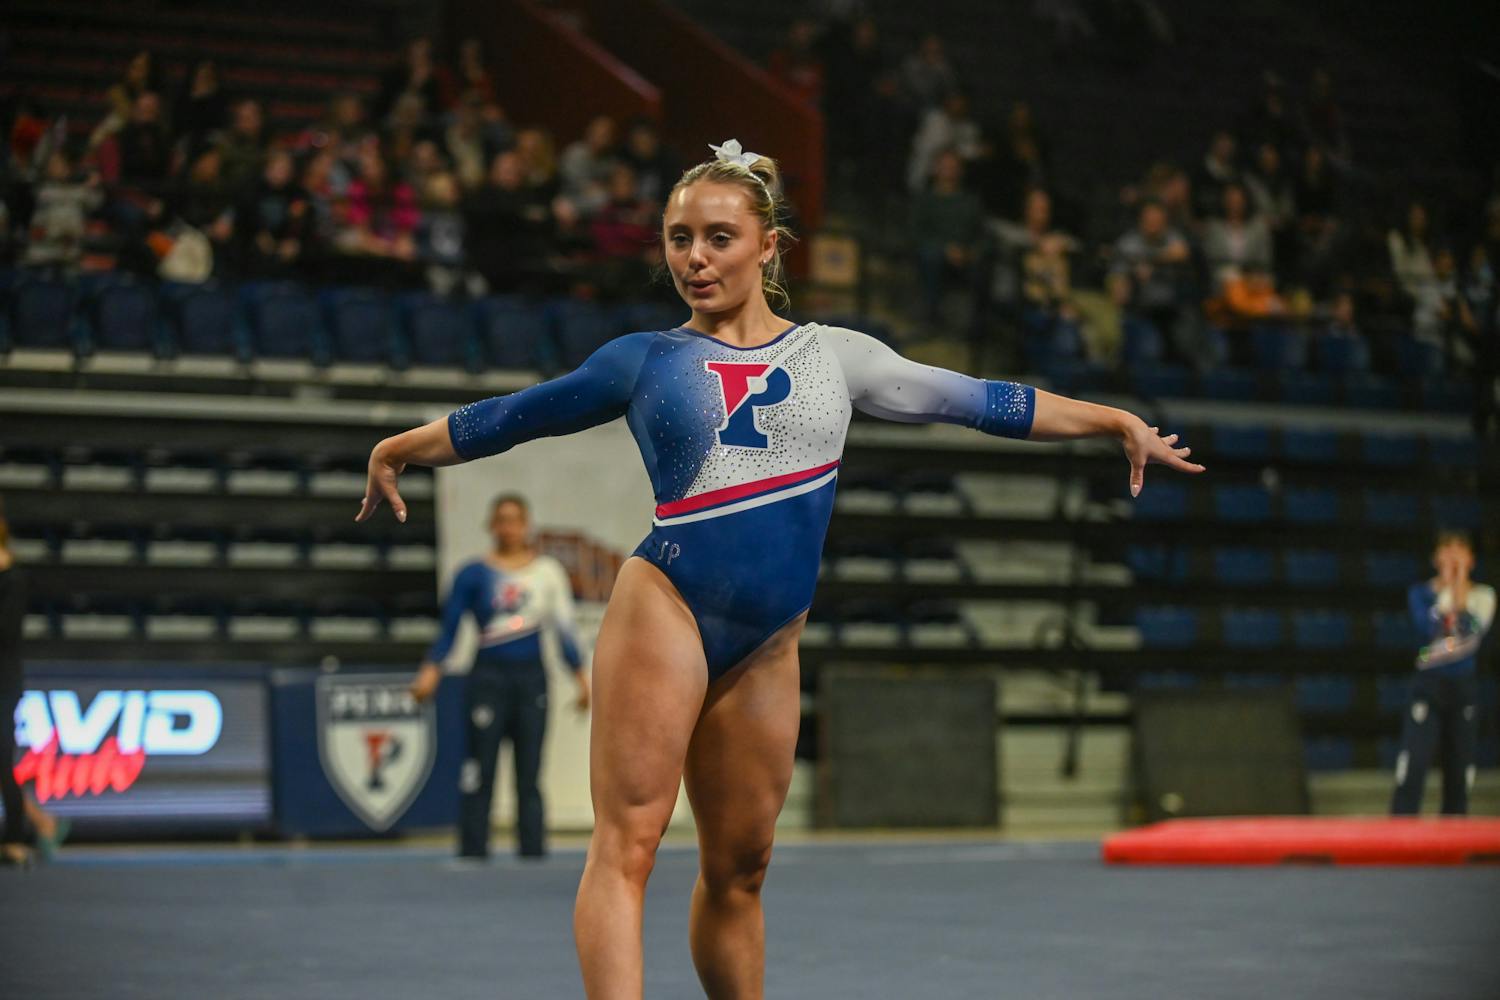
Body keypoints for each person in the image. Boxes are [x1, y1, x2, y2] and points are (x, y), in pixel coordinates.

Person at [356, 139, 1203, 998]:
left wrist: (1110, 421)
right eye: (679, 238)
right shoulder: (643, 359)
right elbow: (516, 415)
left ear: (769, 245)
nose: (695, 258)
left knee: (742, 867)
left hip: (768, 639)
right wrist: (402, 446)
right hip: (669, 605)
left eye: (718, 238)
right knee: (629, 844)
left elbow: (979, 400)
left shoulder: (837, 357)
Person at [412, 494, 589, 859]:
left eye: (515, 520)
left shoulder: (547, 572)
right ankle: (473, 848)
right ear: (492, 526)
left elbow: (564, 629)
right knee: (480, 767)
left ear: (527, 526)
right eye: (502, 520)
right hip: (488, 679)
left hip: (531, 679)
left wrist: (581, 677)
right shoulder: (473, 574)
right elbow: (449, 629)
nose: (509, 528)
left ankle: (532, 849)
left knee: (530, 771)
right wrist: (431, 670)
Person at [1391, 532, 1495, 816]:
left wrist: (1459, 589)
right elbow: (1430, 628)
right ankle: (1400, 831)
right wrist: (1448, 589)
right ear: (1435, 558)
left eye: (1460, 549)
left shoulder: (1484, 596)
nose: (1453, 555)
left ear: (1471, 559)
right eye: (1446, 548)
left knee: (1459, 772)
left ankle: (1455, 830)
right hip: (1428, 684)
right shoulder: (1420, 594)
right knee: (1413, 766)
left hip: (1463, 687)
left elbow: (1472, 629)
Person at [1, 500, 66, 867]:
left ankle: (15, 837)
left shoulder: (13, 580)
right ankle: (40, 821)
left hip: (3, 682)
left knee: (0, 760)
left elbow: (7, 632)